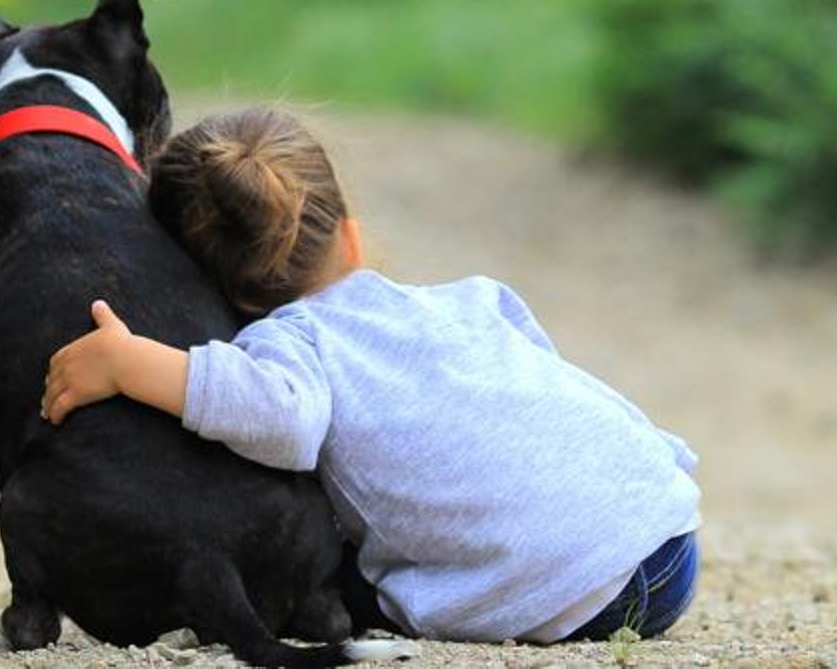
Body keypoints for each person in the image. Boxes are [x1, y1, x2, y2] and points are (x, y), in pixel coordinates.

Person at [40, 107, 701, 643]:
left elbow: (280, 418)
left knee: (333, 576)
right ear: (349, 235)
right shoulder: (471, 297)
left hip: (574, 597)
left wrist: (135, 364)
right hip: (666, 536)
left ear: (208, 293)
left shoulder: (290, 342)